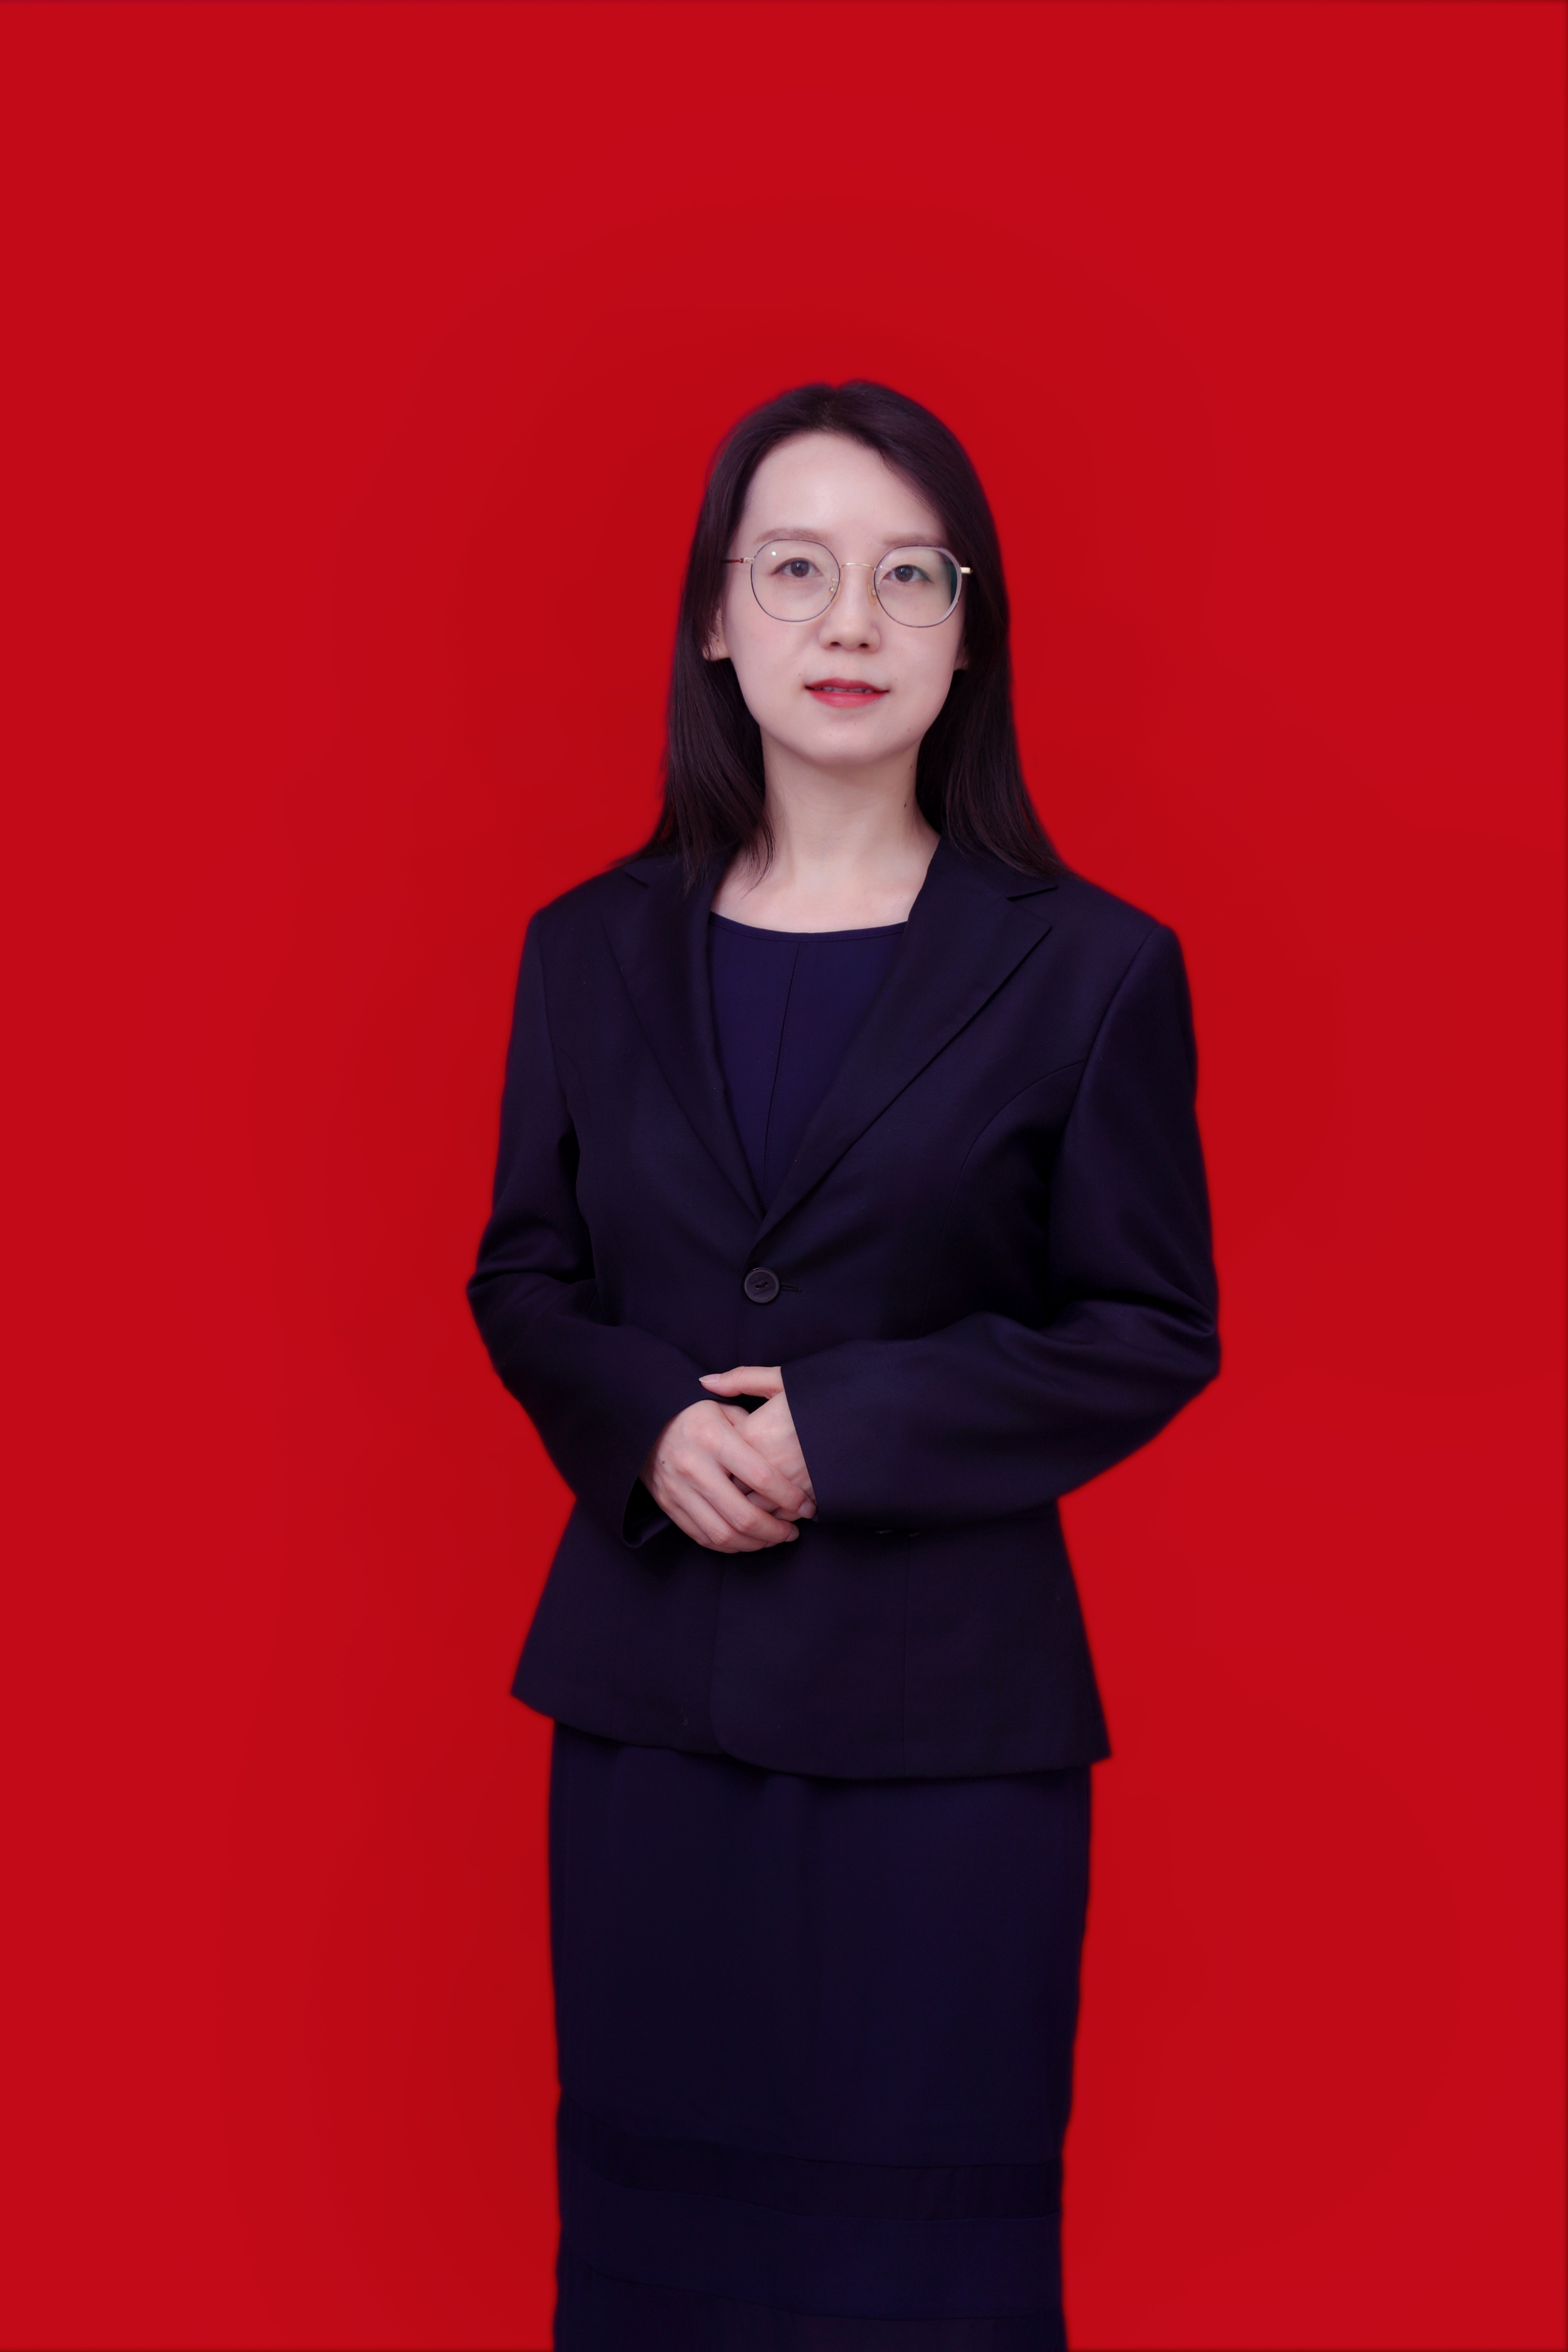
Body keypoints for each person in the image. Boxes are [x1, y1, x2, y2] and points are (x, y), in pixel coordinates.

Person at [468, 380, 1219, 2350]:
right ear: (717, 620)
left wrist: (847, 1431)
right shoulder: (584, 948)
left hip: (944, 1739)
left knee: (918, 2281)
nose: (853, 622)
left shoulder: (1092, 968)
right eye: (795, 570)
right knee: (661, 2278)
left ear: (971, 632)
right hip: (649, 1717)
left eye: (911, 576)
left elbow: (1150, 1323)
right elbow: (525, 1273)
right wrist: (646, 1422)